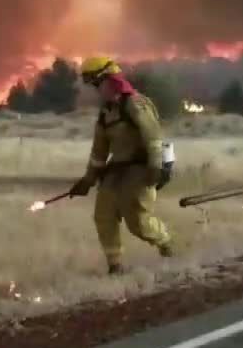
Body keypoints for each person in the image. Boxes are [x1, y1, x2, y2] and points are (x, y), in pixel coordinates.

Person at [69, 56, 176, 274]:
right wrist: (88, 180)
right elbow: (99, 153)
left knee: (138, 222)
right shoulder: (106, 113)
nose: (96, 90)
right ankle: (115, 266)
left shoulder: (135, 104)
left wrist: (155, 167)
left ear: (109, 79)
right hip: (116, 171)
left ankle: (167, 243)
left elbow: (153, 136)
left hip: (141, 169)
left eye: (97, 84)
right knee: (103, 216)